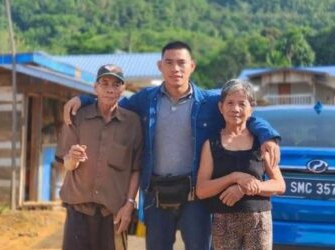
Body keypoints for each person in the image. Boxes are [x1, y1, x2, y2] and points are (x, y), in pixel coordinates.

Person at [63, 41, 281, 250]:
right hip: (156, 195)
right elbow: (111, 104)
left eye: (181, 62)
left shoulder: (209, 102)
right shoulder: (145, 100)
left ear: (192, 66)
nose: (175, 68)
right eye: (169, 62)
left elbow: (243, 114)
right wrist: (84, 100)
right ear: (160, 66)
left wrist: (267, 135)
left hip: (194, 196)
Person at [56, 64, 143, 250]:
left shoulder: (132, 123)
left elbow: (136, 169)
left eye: (116, 84)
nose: (110, 89)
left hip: (112, 214)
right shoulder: (77, 116)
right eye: (104, 83)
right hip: (78, 210)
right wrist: (72, 158)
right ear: (95, 87)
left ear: (123, 88)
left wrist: (129, 205)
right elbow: (67, 164)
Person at [196, 79, 285, 250]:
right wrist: (234, 177)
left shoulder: (262, 142)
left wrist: (246, 187)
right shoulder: (212, 144)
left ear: (251, 108)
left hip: (259, 220)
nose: (235, 109)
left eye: (242, 104)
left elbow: (279, 185)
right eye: (230, 103)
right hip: (224, 221)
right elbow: (201, 190)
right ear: (221, 107)